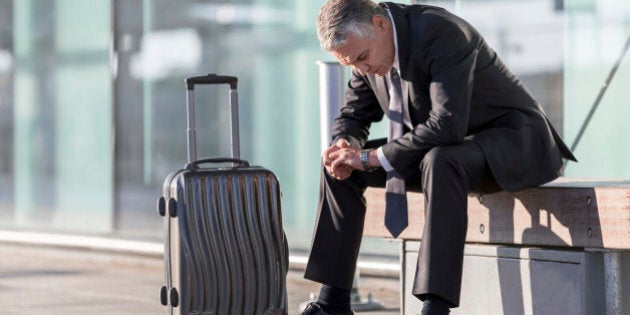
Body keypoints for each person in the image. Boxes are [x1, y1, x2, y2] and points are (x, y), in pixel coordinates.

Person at [301, 1, 577, 315]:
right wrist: (344, 146)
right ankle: (332, 301)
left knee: (440, 160)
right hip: (445, 147)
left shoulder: (440, 33)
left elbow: (447, 124)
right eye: (352, 65)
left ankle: (436, 308)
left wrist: (371, 157)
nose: (361, 70)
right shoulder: (367, 54)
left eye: (362, 58)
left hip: (512, 143)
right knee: (340, 168)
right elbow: (354, 114)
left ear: (379, 23)